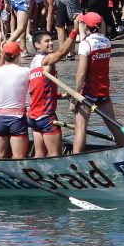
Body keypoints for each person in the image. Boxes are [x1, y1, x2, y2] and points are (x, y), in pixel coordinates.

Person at [72, 12, 124, 153]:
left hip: (87, 93)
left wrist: (75, 96)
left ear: (85, 25)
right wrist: (83, 24)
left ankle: (76, 159)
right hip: (103, 91)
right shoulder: (105, 41)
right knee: (113, 124)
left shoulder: (85, 45)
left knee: (80, 127)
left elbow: (81, 73)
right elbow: (94, 32)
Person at [26, 24, 78, 157]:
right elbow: (62, 53)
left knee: (39, 156)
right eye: (47, 41)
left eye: (51, 40)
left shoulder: (34, 62)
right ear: (37, 45)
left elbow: (41, 91)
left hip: (33, 116)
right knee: (56, 156)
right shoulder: (46, 61)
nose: (51, 43)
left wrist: (63, 95)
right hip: (46, 117)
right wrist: (74, 31)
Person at [0, 39, 30, 159]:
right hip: (17, 119)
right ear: (18, 56)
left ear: (3, 55)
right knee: (18, 157)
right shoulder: (25, 71)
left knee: (1, 156)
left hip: (0, 119)